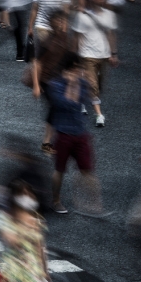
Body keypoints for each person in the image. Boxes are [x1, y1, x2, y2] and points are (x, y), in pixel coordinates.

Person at [47, 55, 101, 215]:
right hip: (63, 134)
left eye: (80, 69)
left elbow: (79, 100)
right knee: (59, 170)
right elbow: (65, 104)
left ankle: (96, 204)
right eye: (75, 69)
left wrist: (77, 84)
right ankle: (56, 201)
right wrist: (71, 84)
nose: (79, 72)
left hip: (80, 133)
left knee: (88, 169)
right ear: (66, 70)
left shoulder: (83, 84)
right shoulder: (54, 85)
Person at [71, 0, 118, 128]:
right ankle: (99, 115)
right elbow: (77, 37)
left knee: (99, 84)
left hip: (103, 55)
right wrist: (74, 57)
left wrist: (113, 53)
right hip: (87, 55)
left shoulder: (109, 15)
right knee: (93, 84)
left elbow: (111, 35)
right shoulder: (82, 16)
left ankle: (82, 101)